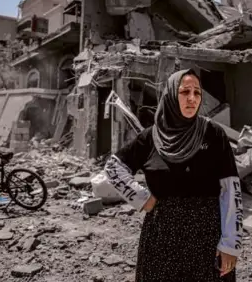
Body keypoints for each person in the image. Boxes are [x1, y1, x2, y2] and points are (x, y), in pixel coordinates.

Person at [104, 68, 243, 282]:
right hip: (161, 237)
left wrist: (230, 244)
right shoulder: (150, 138)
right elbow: (113, 168)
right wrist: (143, 199)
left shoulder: (214, 135)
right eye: (184, 92)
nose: (192, 98)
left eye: (197, 93)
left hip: (206, 235)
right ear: (170, 95)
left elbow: (230, 190)